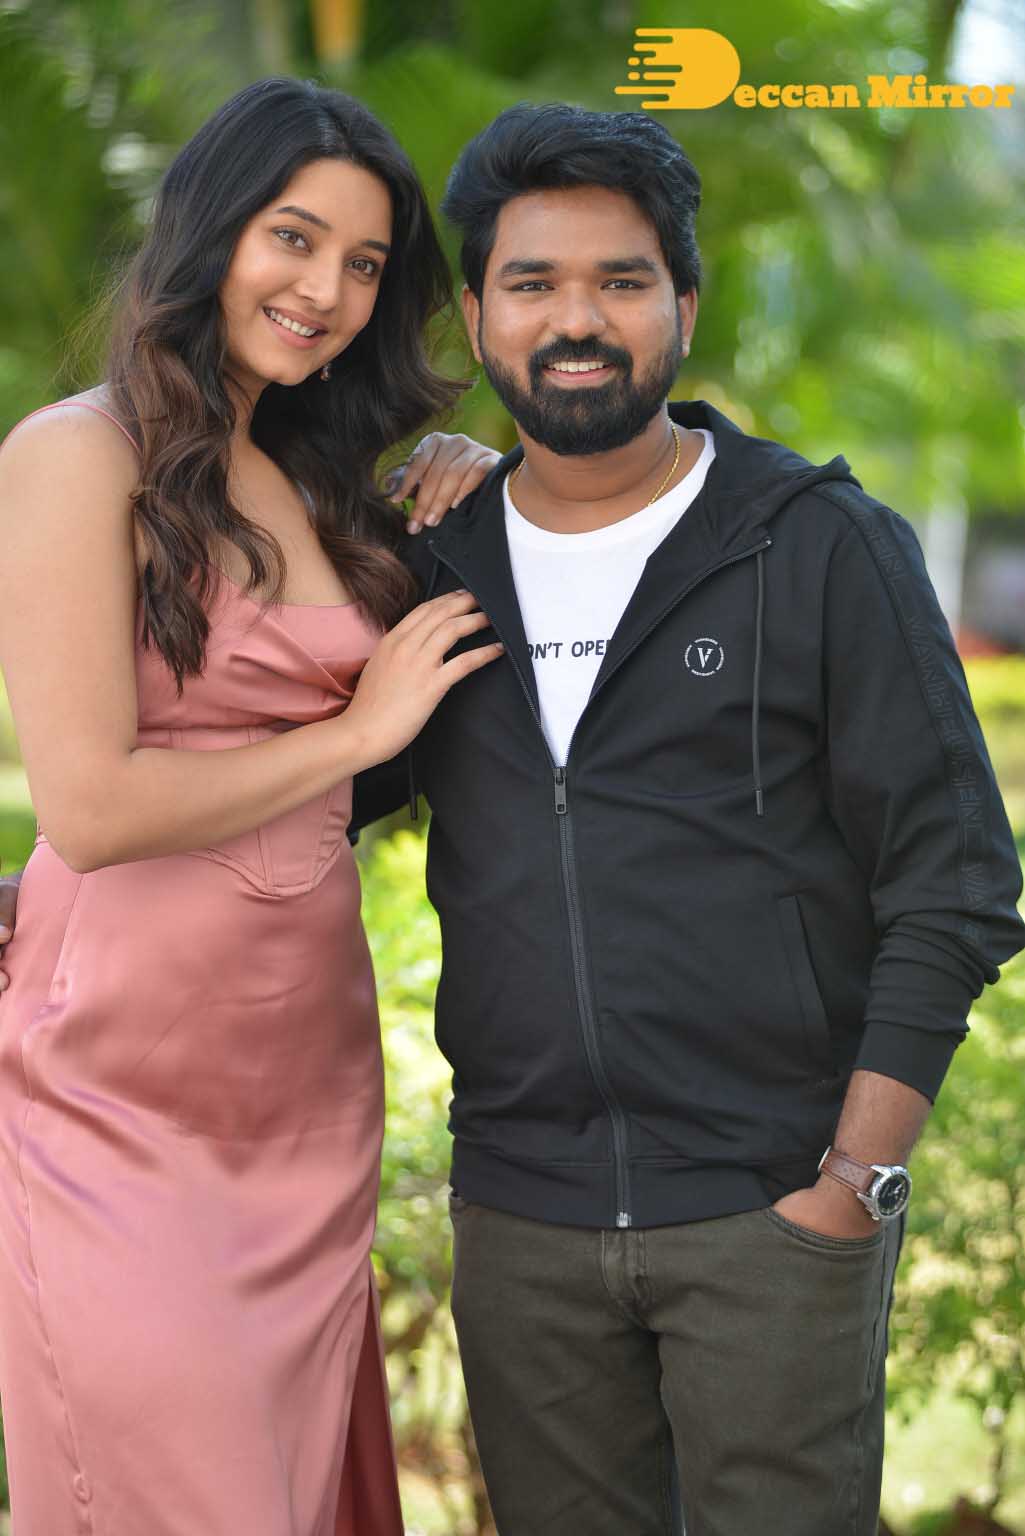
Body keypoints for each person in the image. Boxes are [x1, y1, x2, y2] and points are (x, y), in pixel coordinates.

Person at [342, 104, 1022, 1535]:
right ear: (477, 314)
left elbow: (954, 878)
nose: (576, 320)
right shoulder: (428, 564)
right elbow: (296, 797)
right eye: (532, 282)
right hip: (522, 1215)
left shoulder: (820, 545)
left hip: (773, 1208)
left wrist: (854, 1178)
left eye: (622, 280)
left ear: (684, 306)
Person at [0, 77, 503, 1536]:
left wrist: (473, 489)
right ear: (210, 230)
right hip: (118, 1078)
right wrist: (357, 730)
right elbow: (90, 803)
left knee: (287, 1497)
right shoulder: (72, 453)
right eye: (294, 238)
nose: (327, 291)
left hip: (302, 1077)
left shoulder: (315, 474)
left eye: (364, 264)